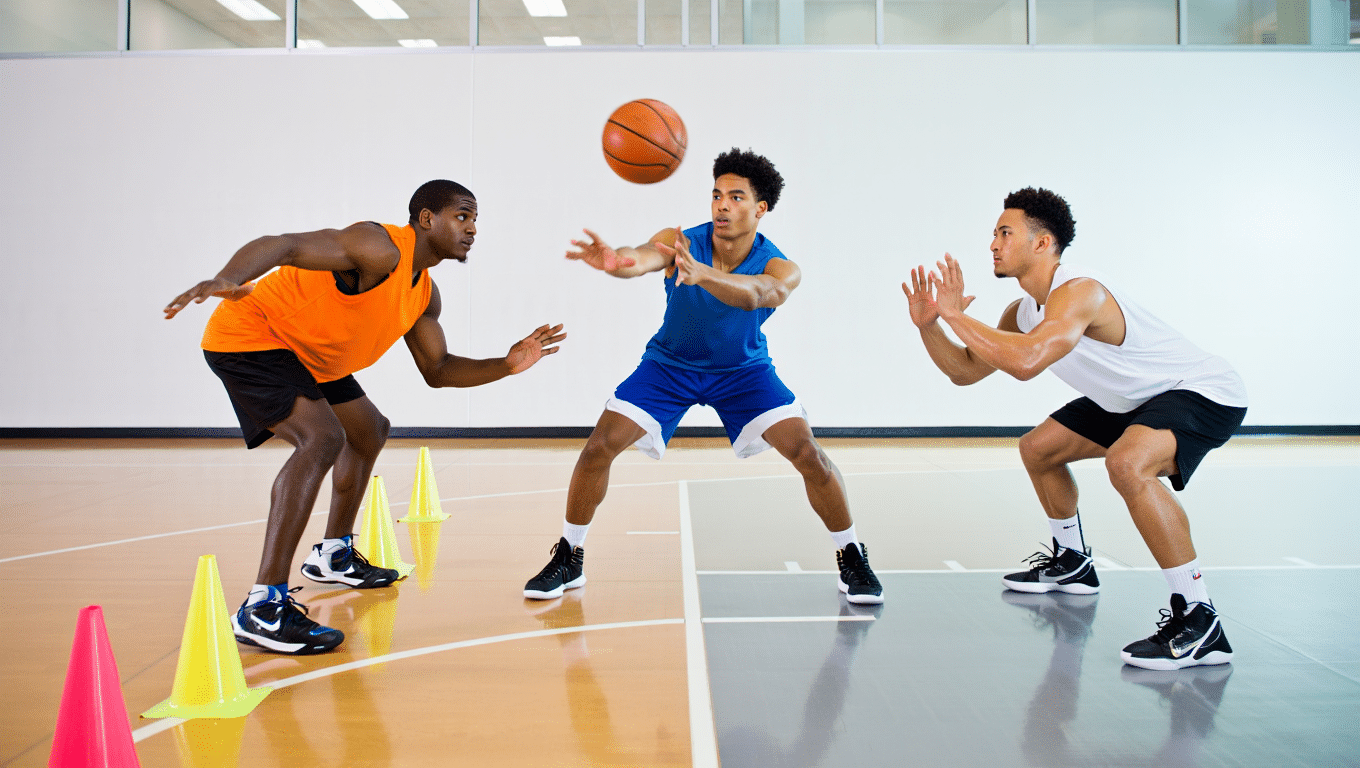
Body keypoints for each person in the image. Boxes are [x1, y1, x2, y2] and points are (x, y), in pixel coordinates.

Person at [164, 180, 566, 654]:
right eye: (462, 216)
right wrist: (229, 277)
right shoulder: (377, 247)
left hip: (310, 353)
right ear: (426, 219)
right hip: (252, 336)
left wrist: (506, 364)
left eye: (476, 220)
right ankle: (263, 607)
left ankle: (333, 555)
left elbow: (437, 371)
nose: (472, 228)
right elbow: (285, 246)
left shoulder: (423, 295)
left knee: (368, 430)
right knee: (321, 438)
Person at [902, 187, 1246, 670]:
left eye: (1005, 232)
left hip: (1199, 391)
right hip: (1133, 400)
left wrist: (957, 314)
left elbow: (1028, 362)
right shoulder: (1021, 313)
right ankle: (1074, 563)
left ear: (1043, 244)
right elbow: (964, 370)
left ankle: (1199, 617)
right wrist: (930, 325)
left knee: (1127, 464)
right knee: (1038, 448)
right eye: (994, 234)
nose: (994, 244)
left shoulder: (1080, 291)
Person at [523, 148, 883, 605]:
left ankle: (850, 553)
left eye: (736, 197)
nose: (722, 205)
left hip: (744, 372)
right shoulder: (681, 241)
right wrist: (616, 261)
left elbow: (762, 294)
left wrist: (705, 275)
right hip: (668, 367)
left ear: (761, 209)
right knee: (598, 447)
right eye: (716, 195)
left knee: (808, 453)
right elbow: (642, 257)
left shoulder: (780, 266)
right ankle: (569, 555)